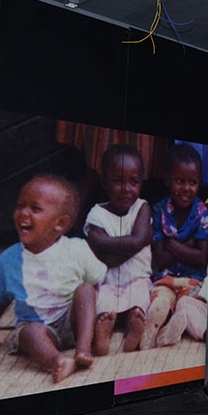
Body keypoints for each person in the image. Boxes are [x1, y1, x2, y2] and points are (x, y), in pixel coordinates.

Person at [0, 175, 107, 383]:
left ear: (60, 224)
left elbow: (95, 286)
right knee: (29, 332)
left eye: (35, 208)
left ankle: (83, 350)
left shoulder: (77, 249)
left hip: (70, 323)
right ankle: (58, 361)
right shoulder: (9, 259)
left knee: (85, 289)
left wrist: (93, 317)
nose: (24, 213)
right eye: (20, 206)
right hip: (39, 329)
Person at [84, 144, 152, 354]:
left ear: (141, 183)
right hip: (108, 281)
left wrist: (101, 242)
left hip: (137, 278)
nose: (127, 189)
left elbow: (132, 243)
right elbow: (107, 259)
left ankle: (133, 326)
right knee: (102, 300)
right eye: (118, 181)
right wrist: (138, 241)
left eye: (134, 182)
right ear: (104, 182)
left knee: (140, 297)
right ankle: (103, 331)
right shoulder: (97, 214)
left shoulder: (142, 207)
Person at [141, 143, 208, 349]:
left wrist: (170, 243)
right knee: (160, 301)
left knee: (187, 305)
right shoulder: (158, 210)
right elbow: (159, 259)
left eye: (193, 182)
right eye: (180, 181)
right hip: (164, 278)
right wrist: (187, 245)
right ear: (167, 180)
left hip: (192, 280)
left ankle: (171, 331)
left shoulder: (201, 212)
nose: (186, 188)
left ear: (199, 183)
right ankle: (150, 332)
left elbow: (201, 258)